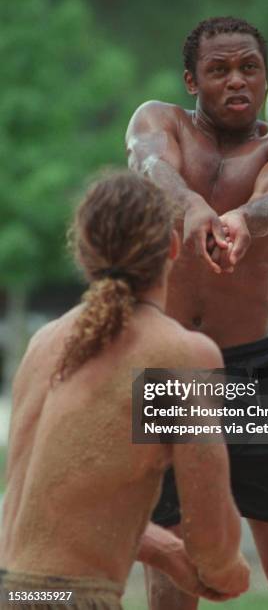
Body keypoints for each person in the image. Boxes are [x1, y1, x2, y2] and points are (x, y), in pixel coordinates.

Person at [126, 15, 268, 610]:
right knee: (172, 570)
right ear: (192, 81)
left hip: (255, 373)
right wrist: (191, 205)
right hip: (170, 372)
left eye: (250, 68)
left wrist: (245, 218)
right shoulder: (157, 120)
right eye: (219, 70)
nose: (237, 80)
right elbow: (151, 168)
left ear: (267, 78)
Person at [0, 171, 250, 609]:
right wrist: (227, 571)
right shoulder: (180, 355)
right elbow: (212, 538)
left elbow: (62, 507)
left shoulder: (43, 345)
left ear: (82, 253)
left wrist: (165, 551)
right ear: (173, 247)